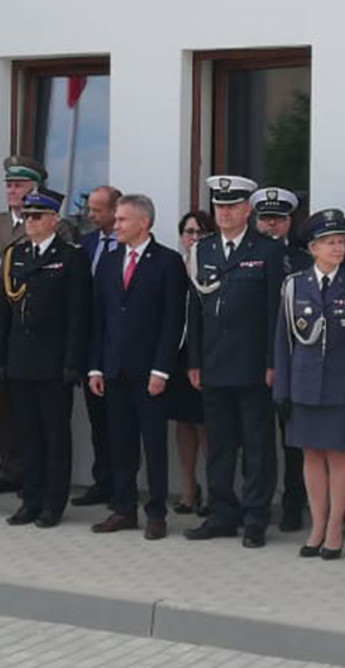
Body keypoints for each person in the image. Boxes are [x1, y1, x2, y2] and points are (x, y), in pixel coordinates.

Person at [184, 176, 287, 550]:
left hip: (254, 367)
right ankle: (222, 514)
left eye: (232, 206)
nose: (224, 213)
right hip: (213, 364)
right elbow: (195, 311)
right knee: (221, 445)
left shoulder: (269, 250)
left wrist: (274, 363)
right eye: (219, 206)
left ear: (247, 210)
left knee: (258, 447)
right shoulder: (204, 249)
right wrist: (194, 360)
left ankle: (256, 517)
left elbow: (276, 314)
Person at [275, 210, 345, 560]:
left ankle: (335, 527)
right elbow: (283, 344)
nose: (338, 248)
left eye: (341, 242)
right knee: (311, 455)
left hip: (342, 388)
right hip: (303, 386)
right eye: (330, 243)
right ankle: (316, 525)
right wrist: (282, 391)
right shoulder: (294, 286)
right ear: (313, 248)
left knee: (339, 455)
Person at [86, 193, 186, 540]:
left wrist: (162, 370)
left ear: (143, 223)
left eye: (122, 220)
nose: (116, 226)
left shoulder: (167, 262)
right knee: (120, 443)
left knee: (154, 445)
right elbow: (98, 317)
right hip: (114, 370)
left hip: (150, 374)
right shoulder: (110, 262)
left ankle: (156, 512)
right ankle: (123, 508)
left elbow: (173, 320)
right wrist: (95, 367)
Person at [0, 187, 86, 527]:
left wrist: (72, 362)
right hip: (20, 359)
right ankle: (30, 499)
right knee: (26, 435)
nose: (29, 222)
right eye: (27, 216)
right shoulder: (15, 255)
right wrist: (0, 357)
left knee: (54, 436)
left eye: (36, 216)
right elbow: (5, 312)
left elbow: (78, 314)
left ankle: (53, 502)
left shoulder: (71, 257)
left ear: (54, 220)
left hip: (53, 362)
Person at [0, 156, 47, 497]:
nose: (11, 189)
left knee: (31, 408)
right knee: (1, 403)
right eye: (8, 184)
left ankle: (36, 472)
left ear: (34, 187)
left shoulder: (51, 224)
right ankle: (9, 468)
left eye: (18, 184)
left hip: (31, 326)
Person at [255, 185, 312, 532]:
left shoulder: (305, 260)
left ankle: (293, 506)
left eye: (279, 219)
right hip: (255, 364)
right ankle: (258, 506)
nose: (272, 225)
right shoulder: (243, 257)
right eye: (266, 218)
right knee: (257, 442)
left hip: (296, 361)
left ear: (290, 221)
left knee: (294, 441)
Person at [73, 184, 124, 508]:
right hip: (90, 344)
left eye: (97, 210)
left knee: (119, 423)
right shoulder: (86, 244)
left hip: (118, 345)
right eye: (89, 209)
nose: (91, 215)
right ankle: (101, 480)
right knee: (97, 422)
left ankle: (121, 486)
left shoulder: (128, 245)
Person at [171, 210, 215, 516]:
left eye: (201, 232)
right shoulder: (173, 266)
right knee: (183, 422)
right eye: (189, 232)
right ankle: (188, 488)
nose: (194, 237)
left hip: (206, 355)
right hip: (176, 355)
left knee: (205, 425)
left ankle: (214, 490)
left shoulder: (214, 266)